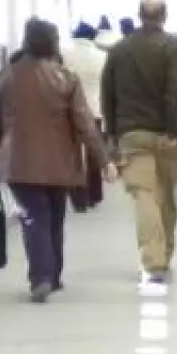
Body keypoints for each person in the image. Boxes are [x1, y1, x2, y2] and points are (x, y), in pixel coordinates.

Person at [0, 18, 116, 303]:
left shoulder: (5, 78)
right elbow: (84, 124)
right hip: (60, 162)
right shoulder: (66, 79)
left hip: (19, 163)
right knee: (55, 217)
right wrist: (104, 160)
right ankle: (52, 275)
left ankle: (41, 277)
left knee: (35, 218)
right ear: (53, 43)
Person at [102, 0, 177, 286]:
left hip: (132, 134)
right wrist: (176, 132)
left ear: (139, 16)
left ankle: (153, 260)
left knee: (144, 195)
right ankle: (164, 252)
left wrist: (112, 134)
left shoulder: (119, 51)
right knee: (166, 195)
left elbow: (108, 95)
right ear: (164, 16)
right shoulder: (173, 49)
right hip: (166, 133)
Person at [63, 22, 108, 212]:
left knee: (73, 155)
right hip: (95, 108)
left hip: (69, 109)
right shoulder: (102, 56)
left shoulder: (64, 55)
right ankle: (95, 194)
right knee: (93, 152)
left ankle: (78, 197)